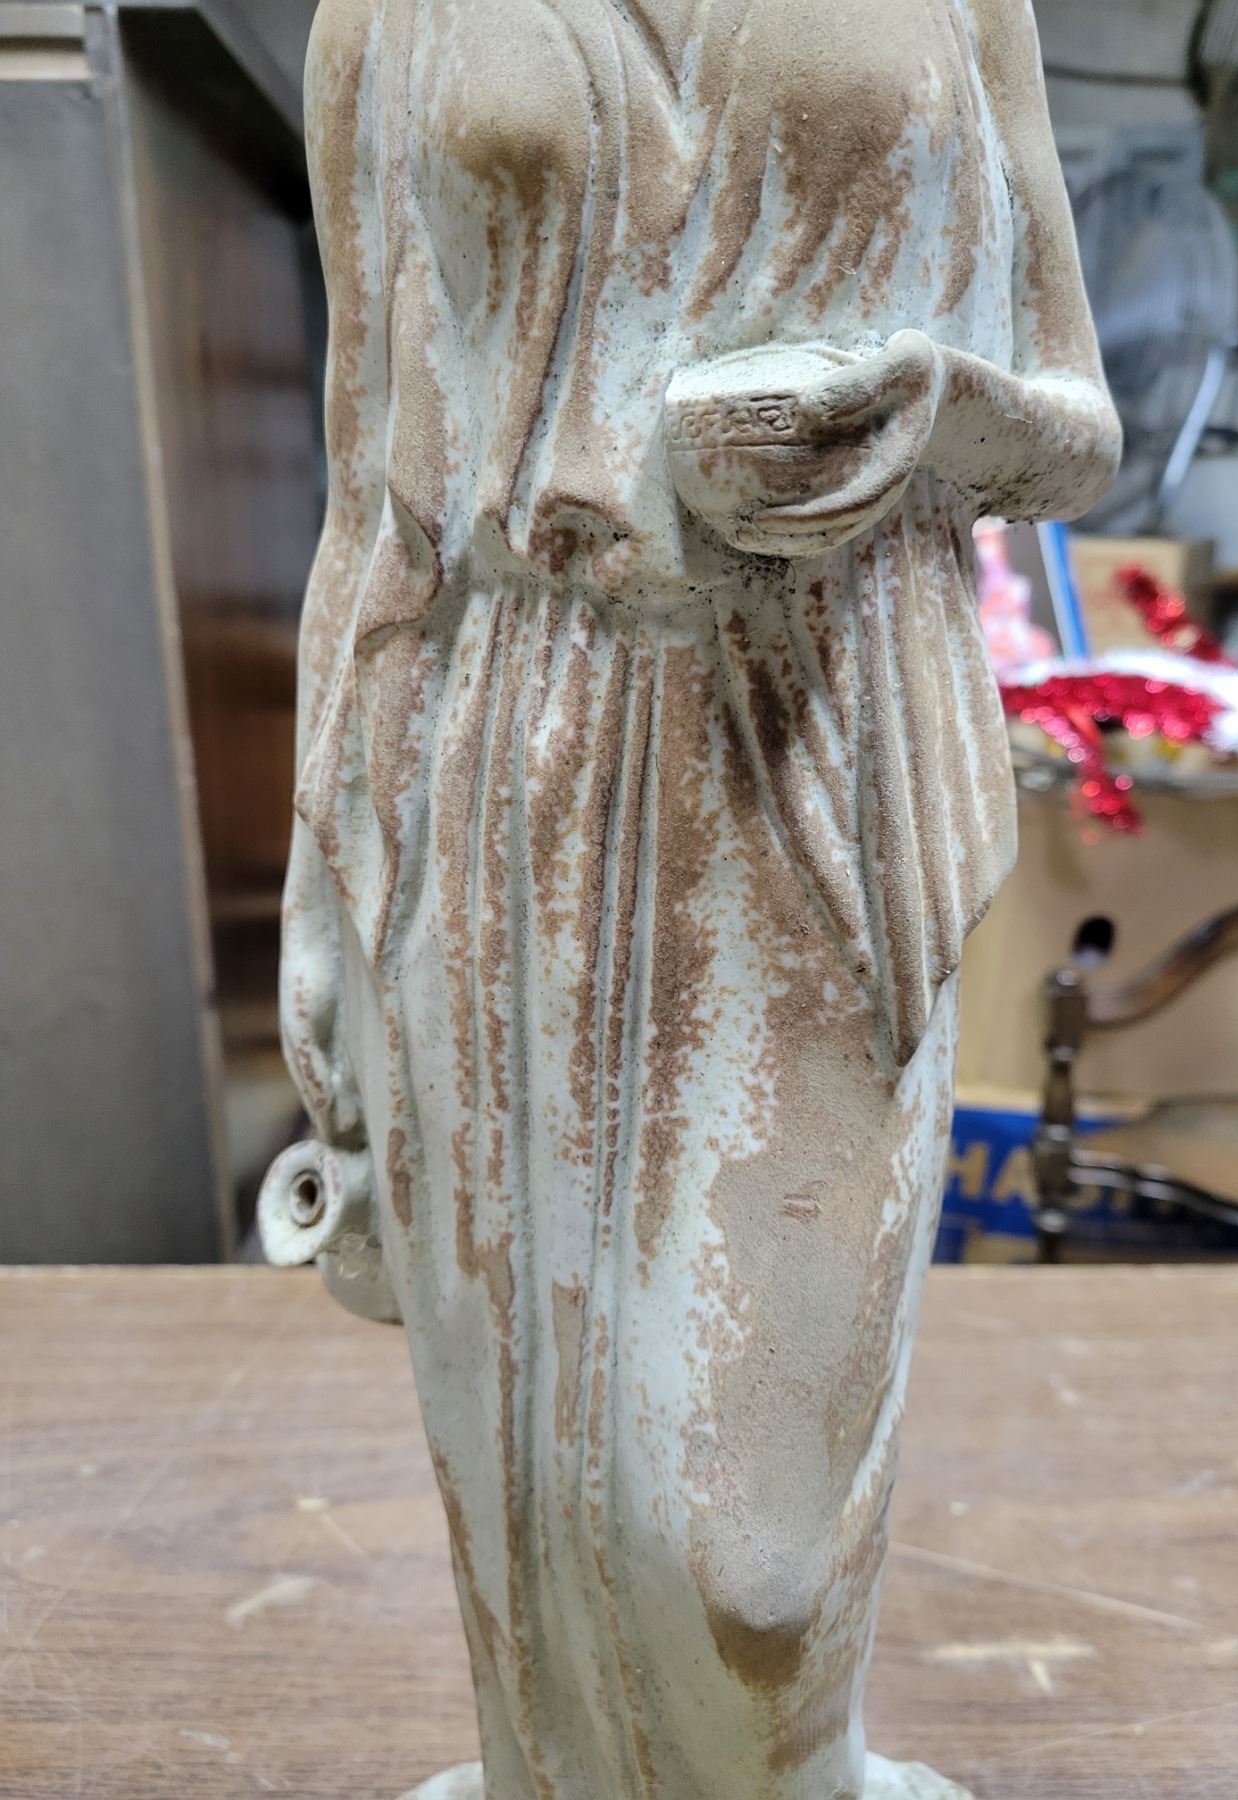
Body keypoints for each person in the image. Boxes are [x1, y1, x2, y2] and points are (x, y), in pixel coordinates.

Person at [277, 2, 1119, 1793]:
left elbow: (1076, 431)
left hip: (828, 725)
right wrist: (324, 894)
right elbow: (367, 495)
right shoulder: (389, 15)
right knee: (529, 1457)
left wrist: (934, 412)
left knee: (749, 1555)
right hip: (506, 739)